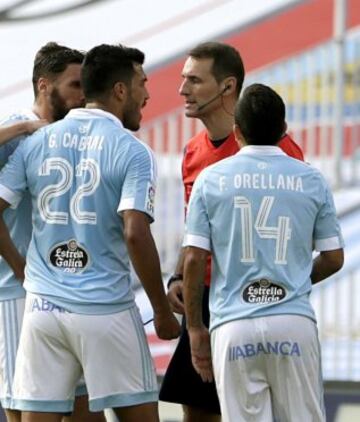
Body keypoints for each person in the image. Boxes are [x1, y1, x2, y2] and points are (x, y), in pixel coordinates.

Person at [0, 43, 180, 422]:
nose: (147, 94)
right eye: (142, 84)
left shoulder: (36, 141)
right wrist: (161, 311)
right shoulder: (131, 150)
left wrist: (24, 267)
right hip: (105, 309)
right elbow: (135, 233)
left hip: (43, 309)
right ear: (119, 90)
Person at [160, 41, 304, 422]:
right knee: (198, 411)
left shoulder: (282, 150)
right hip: (206, 297)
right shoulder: (193, 150)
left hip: (258, 299)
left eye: (194, 80)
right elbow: (196, 232)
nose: (182, 90)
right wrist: (179, 275)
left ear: (227, 87)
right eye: (182, 79)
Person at [183, 83, 344, 422]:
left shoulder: (210, 179)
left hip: (233, 325)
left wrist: (196, 327)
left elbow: (195, 259)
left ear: (237, 130)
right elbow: (333, 258)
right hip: (293, 322)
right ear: (284, 130)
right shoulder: (311, 179)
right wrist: (297, 278)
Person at [0, 42, 105, 422]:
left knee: (86, 404)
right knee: (22, 407)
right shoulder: (15, 131)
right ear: (45, 86)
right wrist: (18, 265)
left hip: (68, 291)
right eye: (75, 85)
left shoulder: (75, 137)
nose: (83, 96)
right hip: (15, 293)